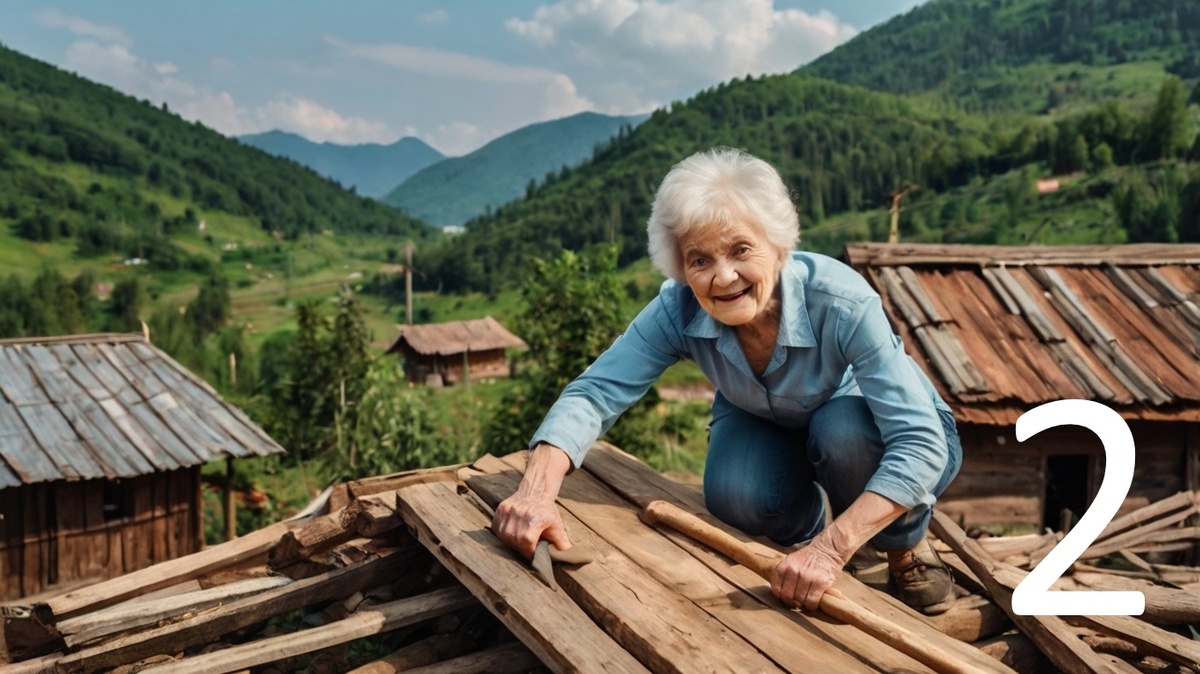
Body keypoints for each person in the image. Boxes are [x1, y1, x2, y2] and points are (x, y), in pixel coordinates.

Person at [491, 147, 962, 615]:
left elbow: (919, 442)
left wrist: (831, 550)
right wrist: (534, 493)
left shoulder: (841, 303)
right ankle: (808, 538)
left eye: (740, 250)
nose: (724, 277)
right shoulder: (677, 308)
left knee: (842, 432)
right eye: (700, 260)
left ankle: (904, 546)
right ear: (681, 269)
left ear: (778, 246)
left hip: (867, 421)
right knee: (735, 492)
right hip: (763, 418)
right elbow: (596, 392)